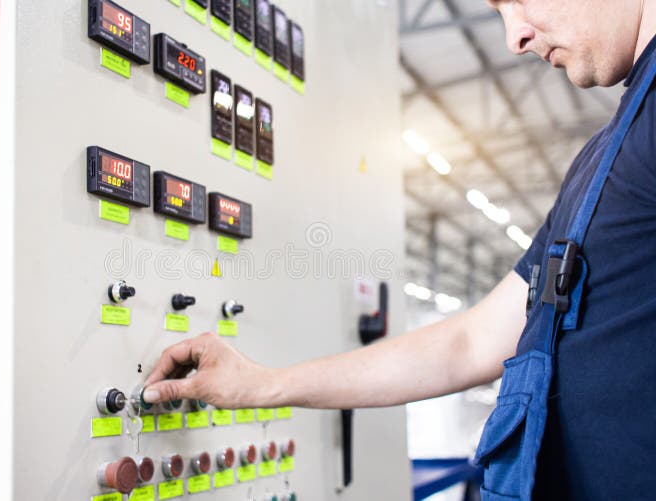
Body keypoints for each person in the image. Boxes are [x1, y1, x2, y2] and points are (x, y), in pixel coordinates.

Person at [142, 1, 656, 499]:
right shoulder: (600, 161)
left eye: (517, 1)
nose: (513, 37)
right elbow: (470, 342)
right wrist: (263, 384)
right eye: (498, 12)